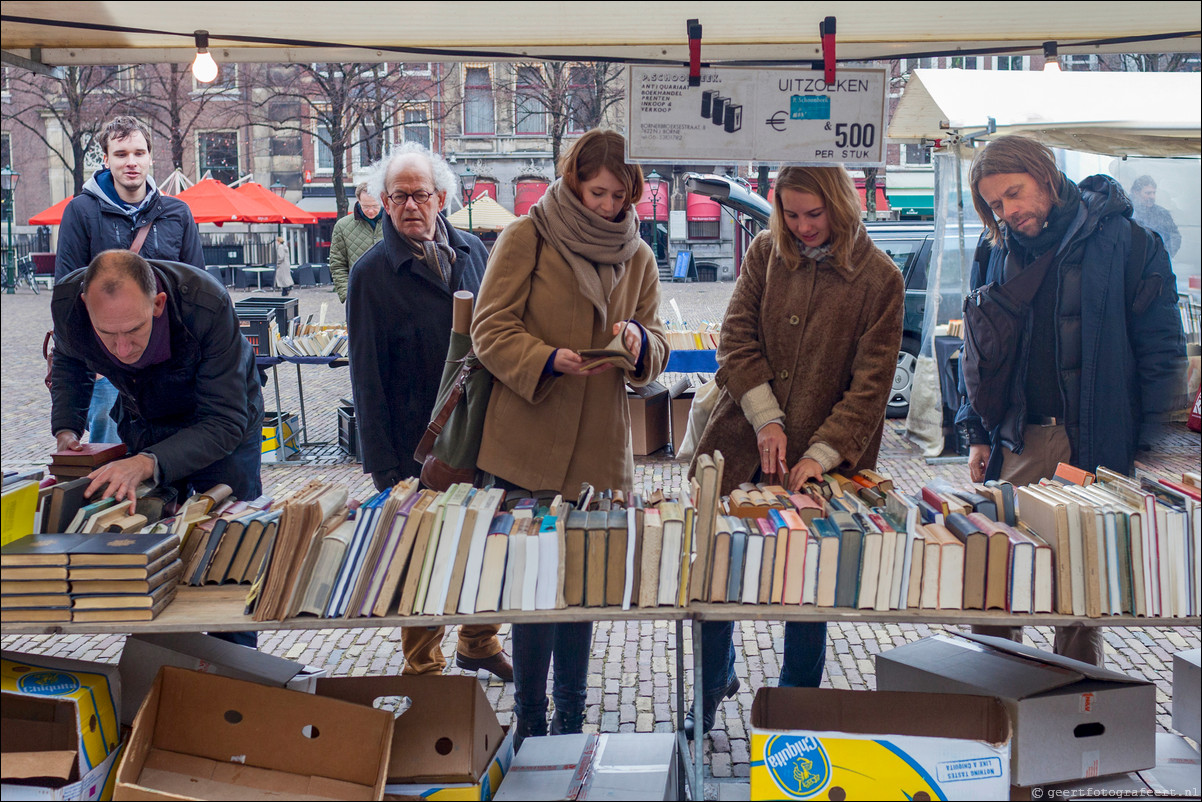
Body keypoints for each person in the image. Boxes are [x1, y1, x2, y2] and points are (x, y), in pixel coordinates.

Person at [686, 165, 904, 739]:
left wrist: (824, 453)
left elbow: (871, 385)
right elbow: (735, 339)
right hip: (739, 444)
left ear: (840, 204)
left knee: (808, 588)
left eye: (815, 214)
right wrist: (767, 418)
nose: (802, 227)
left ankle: (795, 711)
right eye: (791, 213)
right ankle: (709, 690)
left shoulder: (879, 278)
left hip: (823, 465)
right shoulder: (764, 252)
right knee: (715, 572)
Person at [471, 129, 669, 748]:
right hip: (527, 438)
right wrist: (545, 358)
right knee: (534, 588)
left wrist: (639, 344)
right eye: (597, 192)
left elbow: (659, 340)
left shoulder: (638, 253)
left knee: (583, 586)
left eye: (619, 196)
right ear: (573, 181)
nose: (608, 207)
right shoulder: (525, 235)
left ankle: (572, 716)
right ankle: (531, 717)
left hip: (599, 449)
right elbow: (489, 327)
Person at [958, 136, 1187, 665]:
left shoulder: (1130, 243)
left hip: (1092, 440)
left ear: (1046, 175)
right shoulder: (993, 252)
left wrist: (1146, 445)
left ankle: (1076, 701)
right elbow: (979, 351)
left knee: (1080, 583)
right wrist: (973, 430)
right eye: (996, 204)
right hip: (1014, 438)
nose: (1009, 211)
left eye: (1015, 194)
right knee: (996, 572)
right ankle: (989, 685)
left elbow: (1161, 352)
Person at [347, 142, 512, 683]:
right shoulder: (371, 273)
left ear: (442, 197)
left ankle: (479, 640)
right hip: (416, 440)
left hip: (482, 430)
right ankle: (424, 662)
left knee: (485, 540)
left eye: (421, 194)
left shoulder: (472, 252)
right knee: (420, 555)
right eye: (399, 196)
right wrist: (383, 465)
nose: (411, 205)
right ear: (384, 202)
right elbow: (365, 377)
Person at [54, 115, 204, 447]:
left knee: (170, 462)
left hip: (168, 362)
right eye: (121, 154)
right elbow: (66, 296)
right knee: (112, 455)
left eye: (138, 153)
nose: (131, 162)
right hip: (110, 363)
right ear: (105, 159)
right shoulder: (80, 212)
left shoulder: (177, 214)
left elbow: (197, 289)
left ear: (151, 157)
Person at [329, 182, 385, 303]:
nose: (370, 211)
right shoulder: (342, 226)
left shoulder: (396, 223)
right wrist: (347, 295)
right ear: (358, 201)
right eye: (365, 206)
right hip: (359, 297)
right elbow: (337, 264)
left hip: (392, 296)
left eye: (375, 206)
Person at [1130, 175, 1181, 257]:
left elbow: (1175, 236)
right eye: (1148, 193)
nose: (1152, 197)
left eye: (1154, 193)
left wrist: (1164, 255)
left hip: (1158, 263)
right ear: (1136, 193)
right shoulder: (1129, 213)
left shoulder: (1162, 214)